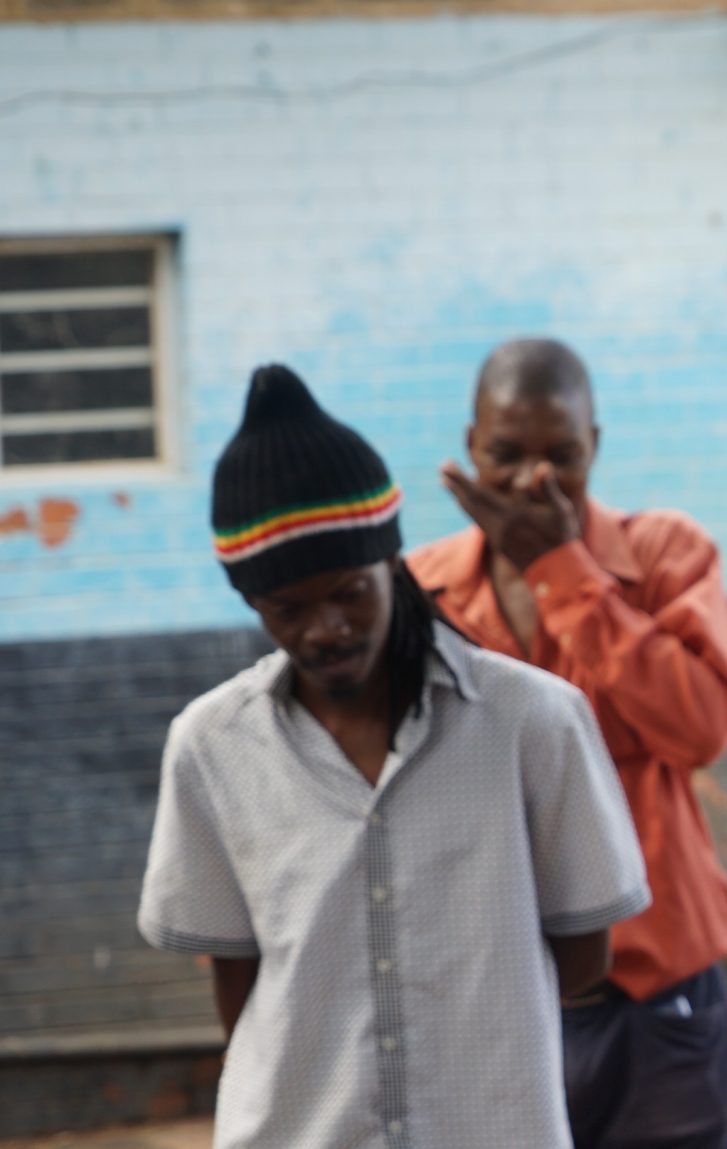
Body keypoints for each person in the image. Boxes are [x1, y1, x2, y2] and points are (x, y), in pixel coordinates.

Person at [138, 365, 651, 1149]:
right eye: (289, 608)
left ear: (392, 564)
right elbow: (236, 980)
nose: (326, 628)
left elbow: (583, 955)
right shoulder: (211, 746)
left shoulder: (532, 721)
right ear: (252, 603)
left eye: (350, 591)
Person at [408, 337, 727, 1149]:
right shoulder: (421, 594)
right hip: (489, 1011)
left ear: (594, 443)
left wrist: (564, 571)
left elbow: (700, 725)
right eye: (506, 454)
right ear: (469, 446)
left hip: (655, 1003)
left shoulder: (667, 555)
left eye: (562, 454)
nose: (534, 480)